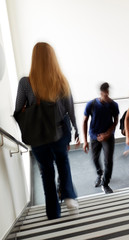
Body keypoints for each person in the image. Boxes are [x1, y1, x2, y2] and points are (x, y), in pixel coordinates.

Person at [14, 42, 80, 220]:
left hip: (38, 137)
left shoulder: (25, 83)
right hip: (59, 131)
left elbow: (18, 109)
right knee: (63, 163)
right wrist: (76, 129)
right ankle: (68, 196)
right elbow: (69, 108)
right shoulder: (60, 80)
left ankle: (53, 212)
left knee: (46, 172)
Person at [83, 82, 119, 194]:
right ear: (101, 93)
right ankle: (100, 173)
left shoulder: (113, 105)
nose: (106, 95)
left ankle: (105, 183)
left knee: (108, 160)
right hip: (94, 135)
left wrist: (108, 133)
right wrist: (85, 141)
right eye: (104, 93)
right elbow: (85, 121)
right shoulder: (91, 104)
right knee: (94, 158)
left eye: (108, 93)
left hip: (108, 136)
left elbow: (116, 121)